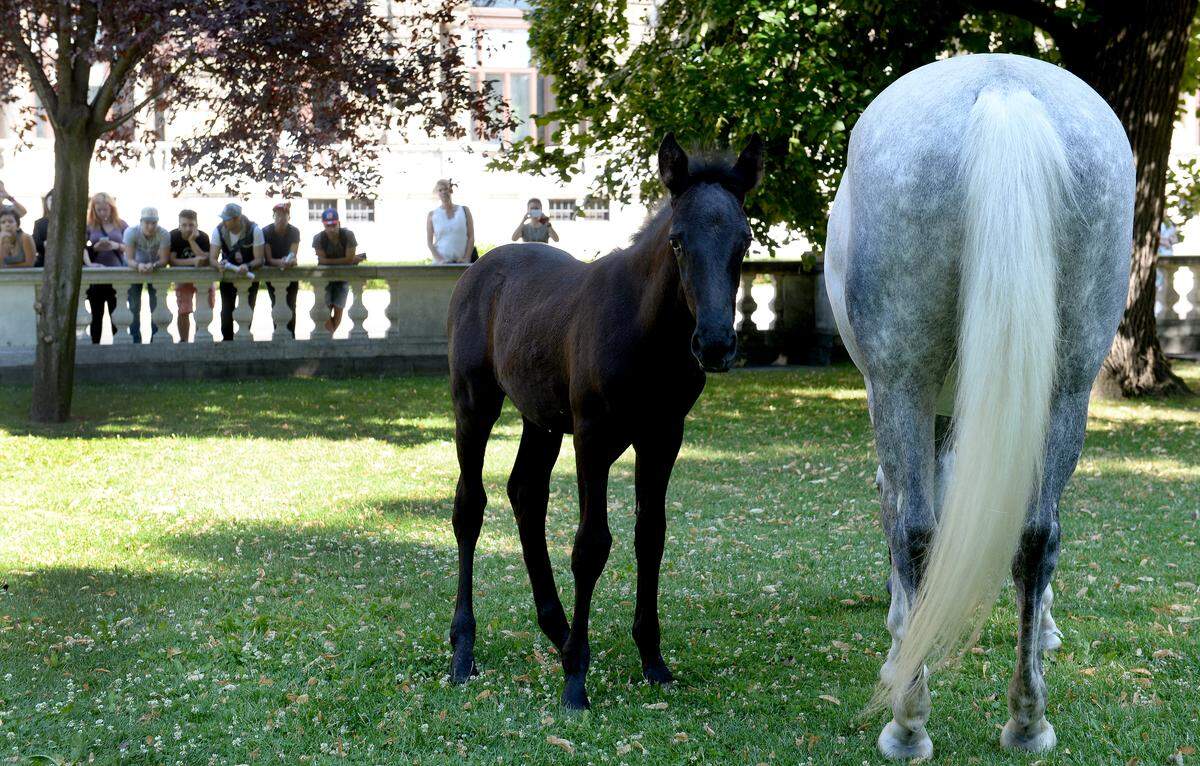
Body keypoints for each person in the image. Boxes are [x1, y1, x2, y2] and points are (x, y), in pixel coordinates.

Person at [209, 202, 265, 341]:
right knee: (226, 310)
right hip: (228, 275)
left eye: (227, 219)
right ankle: (227, 340)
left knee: (249, 307)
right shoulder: (218, 230)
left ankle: (244, 338)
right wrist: (218, 265)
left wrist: (248, 266)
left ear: (237, 218)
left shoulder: (255, 230)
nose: (223, 221)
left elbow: (259, 259)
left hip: (249, 275)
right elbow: (212, 258)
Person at [84, 193, 128, 344]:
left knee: (116, 314)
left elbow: (131, 247)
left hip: (116, 274)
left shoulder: (121, 225)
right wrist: (95, 248)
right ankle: (95, 347)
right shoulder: (89, 226)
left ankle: (119, 347)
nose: (103, 212)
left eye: (105, 209)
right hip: (96, 275)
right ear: (94, 210)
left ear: (112, 208)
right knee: (96, 315)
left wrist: (116, 245)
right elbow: (82, 248)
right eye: (99, 210)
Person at [122, 207, 170, 343]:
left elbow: (164, 260)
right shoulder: (130, 232)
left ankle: (155, 339)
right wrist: (138, 266)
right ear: (141, 221)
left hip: (155, 270)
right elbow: (128, 258)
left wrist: (154, 265)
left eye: (154, 223)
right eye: (147, 222)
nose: (150, 226)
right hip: (134, 270)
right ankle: (135, 339)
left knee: (156, 305)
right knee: (134, 306)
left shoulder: (164, 234)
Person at [314, 207, 364, 333]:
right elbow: (322, 261)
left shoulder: (348, 235)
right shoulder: (318, 238)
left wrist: (347, 260)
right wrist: (348, 259)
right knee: (324, 311)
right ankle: (330, 340)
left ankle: (329, 338)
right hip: (324, 279)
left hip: (343, 278)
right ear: (323, 225)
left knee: (338, 311)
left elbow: (345, 259)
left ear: (339, 223)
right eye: (327, 225)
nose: (331, 228)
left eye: (334, 225)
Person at [168, 209, 213, 343]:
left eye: (191, 225)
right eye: (184, 225)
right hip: (182, 278)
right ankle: (184, 341)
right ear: (179, 225)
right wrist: (193, 261)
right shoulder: (174, 236)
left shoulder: (203, 237)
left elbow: (205, 259)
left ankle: (200, 338)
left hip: (202, 279)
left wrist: (192, 241)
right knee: (183, 310)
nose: (188, 228)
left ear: (196, 225)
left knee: (204, 308)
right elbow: (172, 261)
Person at [263, 202, 301, 337]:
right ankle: (278, 334)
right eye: (278, 215)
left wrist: (289, 260)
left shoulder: (294, 231)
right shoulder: (266, 231)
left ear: (289, 217)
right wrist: (282, 262)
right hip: (273, 273)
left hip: (290, 273)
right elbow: (268, 259)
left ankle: (291, 336)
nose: (281, 218)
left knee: (291, 306)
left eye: (284, 215)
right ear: (273, 216)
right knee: (276, 304)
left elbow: (293, 254)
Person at [426, 179, 473, 264]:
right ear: (437, 193)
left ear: (450, 190)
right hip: (441, 264)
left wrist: (466, 258)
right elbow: (429, 242)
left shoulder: (464, 210)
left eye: (445, 189)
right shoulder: (432, 215)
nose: (443, 192)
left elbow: (471, 236)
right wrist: (440, 260)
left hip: (461, 263)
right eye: (440, 190)